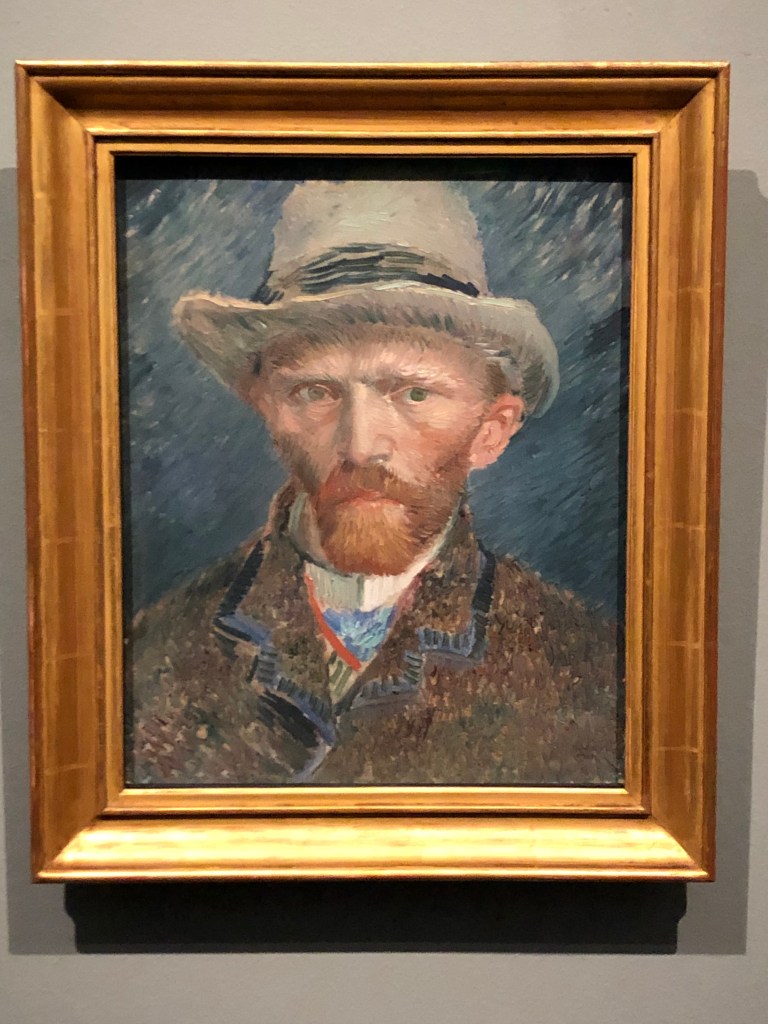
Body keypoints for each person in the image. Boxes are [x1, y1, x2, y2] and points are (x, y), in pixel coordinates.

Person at [129, 180, 620, 787]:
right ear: (268, 411)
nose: (360, 446)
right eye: (315, 391)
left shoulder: (591, 670)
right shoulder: (151, 657)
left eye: (413, 394)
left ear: (491, 431)